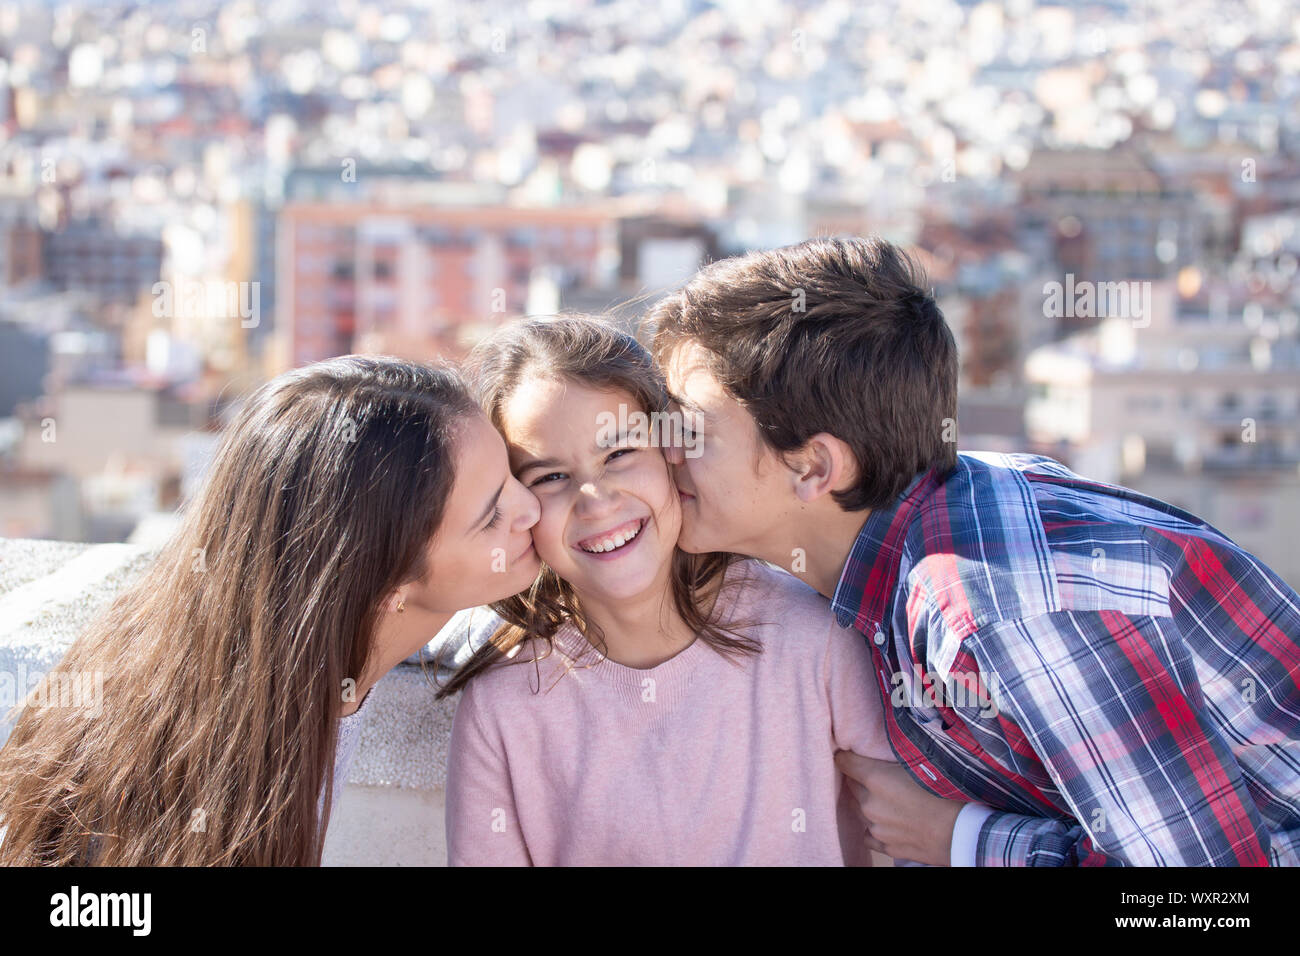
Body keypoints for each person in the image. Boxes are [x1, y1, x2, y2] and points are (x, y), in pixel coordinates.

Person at [647, 234, 1300, 866]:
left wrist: (963, 842)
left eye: (694, 429)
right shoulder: (916, 529)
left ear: (815, 468)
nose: (662, 448)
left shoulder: (996, 607)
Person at [0, 356, 541, 865]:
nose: (531, 507)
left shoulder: (279, 643)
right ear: (383, 579)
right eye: (493, 513)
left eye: (515, 474)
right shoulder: (226, 783)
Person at [437, 315, 896, 866]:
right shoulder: (504, 706)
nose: (596, 499)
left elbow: (912, 829)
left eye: (620, 453)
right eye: (549, 476)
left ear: (673, 453)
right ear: (516, 504)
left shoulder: (814, 640)